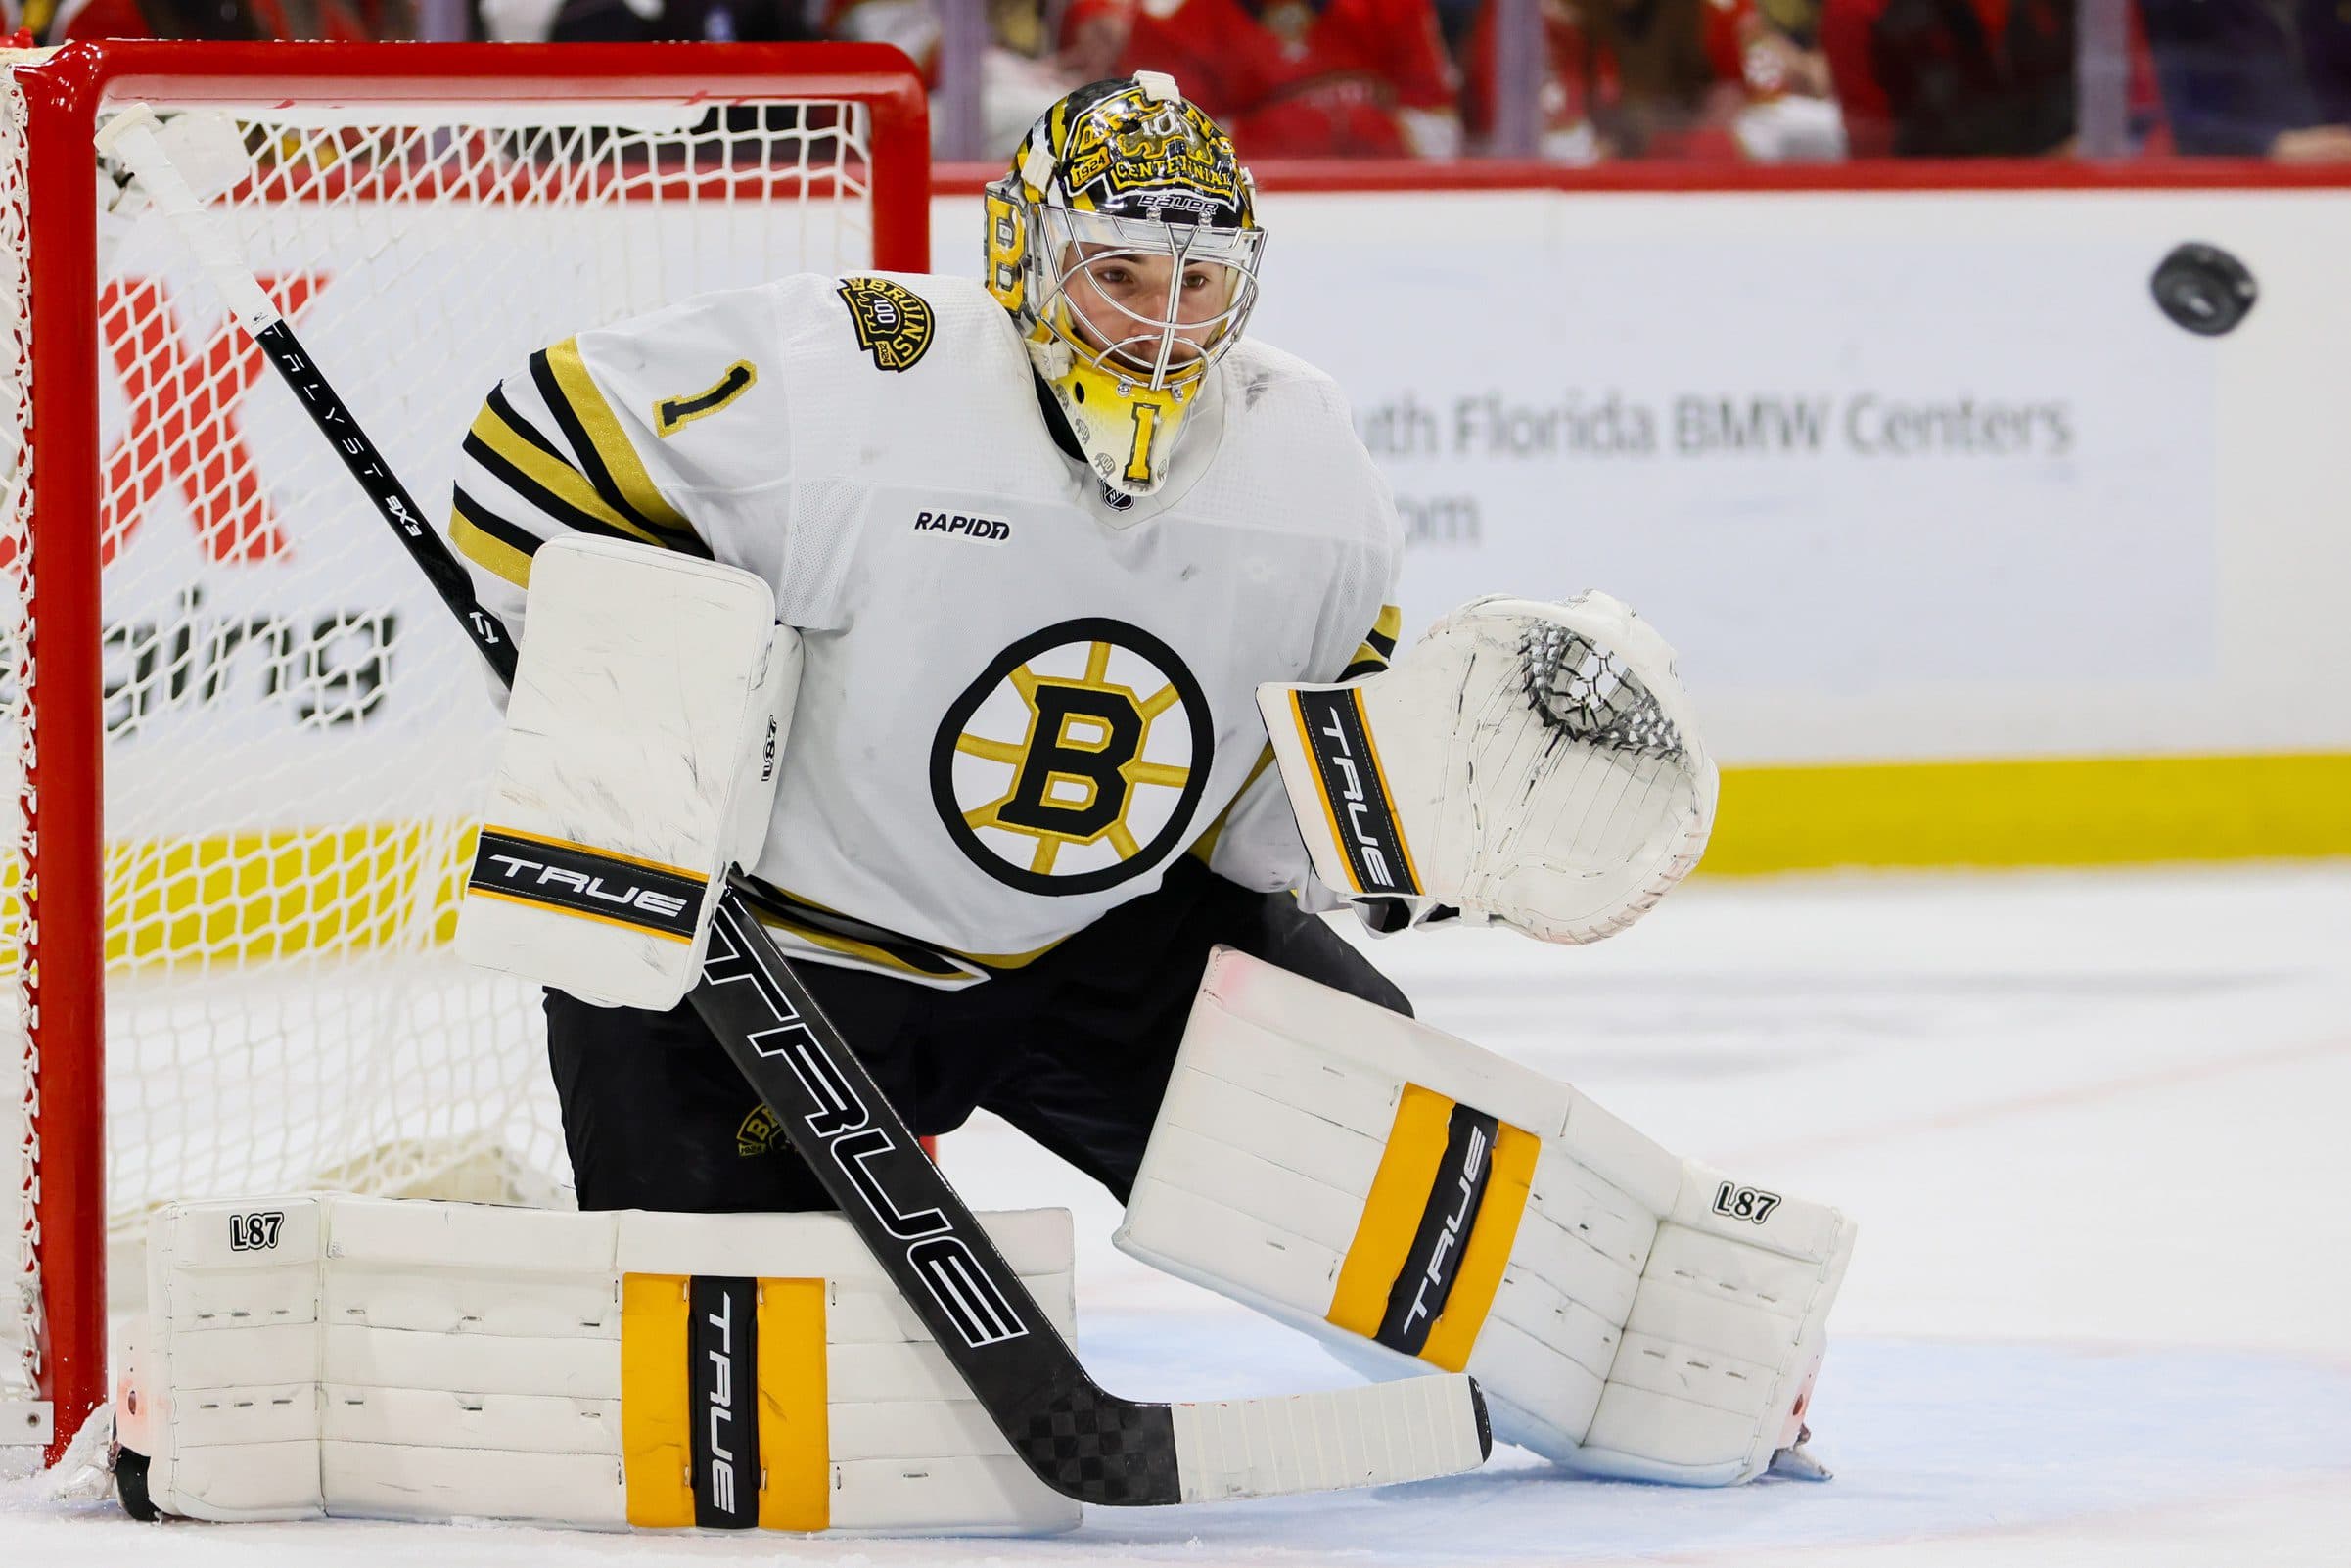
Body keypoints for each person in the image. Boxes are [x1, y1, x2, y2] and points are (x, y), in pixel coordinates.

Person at [447, 72, 1412, 1215]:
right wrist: (650, 757)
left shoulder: (1302, 456)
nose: (1161, 326)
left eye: (1196, 281)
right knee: (738, 1349)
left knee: (1384, 1133)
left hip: (1089, 953)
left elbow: (1302, 751)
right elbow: (537, 448)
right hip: (769, 959)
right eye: (1117, 274)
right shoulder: (862, 375)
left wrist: (1392, 841)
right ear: (1024, 258)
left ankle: (1518, 1380)